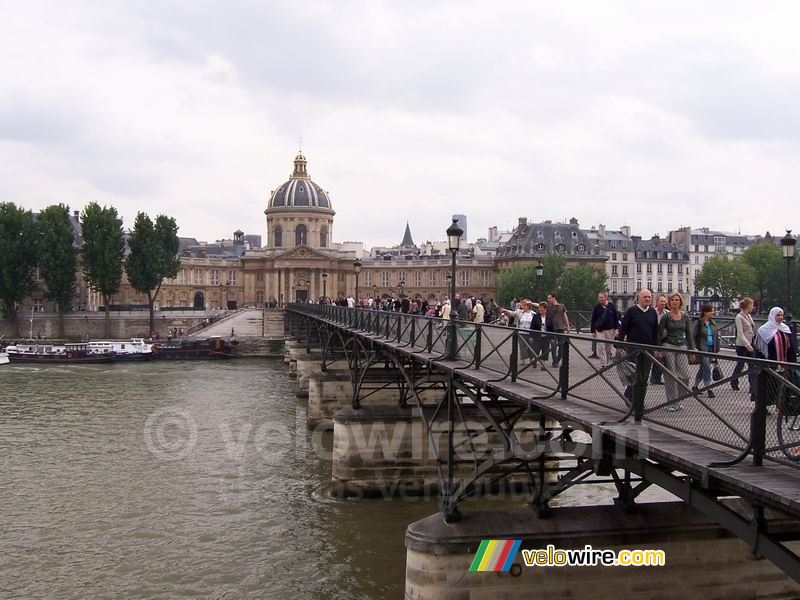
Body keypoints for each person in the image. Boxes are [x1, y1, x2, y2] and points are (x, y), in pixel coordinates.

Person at [617, 289, 659, 401]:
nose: (647, 299)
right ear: (639, 298)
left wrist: (656, 348)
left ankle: (640, 401)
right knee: (635, 374)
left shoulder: (652, 312)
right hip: (634, 348)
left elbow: (655, 331)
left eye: (649, 297)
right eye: (645, 297)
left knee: (644, 377)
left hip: (648, 349)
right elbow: (623, 328)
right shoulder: (631, 311)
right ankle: (631, 396)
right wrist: (619, 345)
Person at [656, 292, 694, 411]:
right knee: (670, 376)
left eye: (677, 300)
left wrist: (692, 349)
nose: (674, 302)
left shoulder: (685, 316)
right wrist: (658, 349)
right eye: (672, 300)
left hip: (681, 346)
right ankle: (671, 402)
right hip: (668, 346)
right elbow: (659, 333)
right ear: (669, 302)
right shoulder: (666, 317)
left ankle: (679, 399)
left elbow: (689, 334)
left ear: (680, 302)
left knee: (685, 375)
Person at [754, 307, 798, 408]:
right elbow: (759, 349)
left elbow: (791, 347)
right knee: (768, 388)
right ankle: (762, 407)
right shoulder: (763, 330)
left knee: (785, 387)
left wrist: (793, 363)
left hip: (784, 364)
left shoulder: (785, 329)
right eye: (778, 315)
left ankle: (783, 406)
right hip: (770, 364)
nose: (780, 317)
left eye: (781, 315)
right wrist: (761, 363)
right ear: (772, 316)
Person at [691, 304, 720, 398]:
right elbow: (692, 336)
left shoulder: (713, 323)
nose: (713, 312)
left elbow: (716, 337)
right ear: (705, 312)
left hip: (711, 347)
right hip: (702, 348)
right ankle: (709, 388)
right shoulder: (698, 322)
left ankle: (695, 386)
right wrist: (693, 348)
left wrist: (717, 351)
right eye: (711, 310)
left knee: (703, 368)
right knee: (707, 367)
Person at [732, 297, 757, 398]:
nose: (753, 307)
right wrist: (747, 345)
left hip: (751, 343)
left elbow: (751, 329)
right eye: (751, 305)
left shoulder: (749, 316)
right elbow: (740, 334)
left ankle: (753, 386)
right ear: (747, 306)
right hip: (742, 345)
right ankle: (734, 381)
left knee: (752, 365)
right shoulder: (739, 317)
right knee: (741, 364)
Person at [590, 291, 619, 369]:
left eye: (601, 297)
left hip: (610, 330)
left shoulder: (611, 306)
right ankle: (603, 364)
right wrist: (592, 330)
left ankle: (607, 361)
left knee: (609, 347)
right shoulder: (597, 307)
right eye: (599, 297)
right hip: (600, 330)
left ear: (606, 297)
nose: (599, 299)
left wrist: (616, 329)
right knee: (601, 346)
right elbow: (593, 319)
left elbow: (616, 317)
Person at [649, 294, 669, 384]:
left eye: (664, 301)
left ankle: (656, 378)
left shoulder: (667, 313)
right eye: (661, 301)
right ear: (657, 303)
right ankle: (653, 378)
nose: (663, 303)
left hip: (664, 339)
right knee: (654, 357)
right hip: (653, 338)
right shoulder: (652, 312)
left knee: (661, 358)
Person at [547, 293, 569, 367]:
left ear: (554, 298)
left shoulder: (561, 306)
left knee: (561, 345)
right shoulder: (548, 306)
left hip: (560, 328)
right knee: (553, 345)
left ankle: (558, 359)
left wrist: (567, 326)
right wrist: (530, 303)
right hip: (552, 328)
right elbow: (539, 305)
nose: (548, 299)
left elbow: (565, 316)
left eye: (549, 298)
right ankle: (555, 361)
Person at [531, 301, 552, 369]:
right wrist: (531, 336)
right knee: (536, 349)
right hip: (537, 336)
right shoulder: (535, 316)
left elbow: (551, 327)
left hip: (546, 336)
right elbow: (532, 327)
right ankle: (535, 360)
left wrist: (553, 337)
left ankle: (543, 365)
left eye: (541, 308)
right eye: (539, 308)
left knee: (545, 350)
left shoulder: (549, 317)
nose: (540, 310)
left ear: (545, 309)